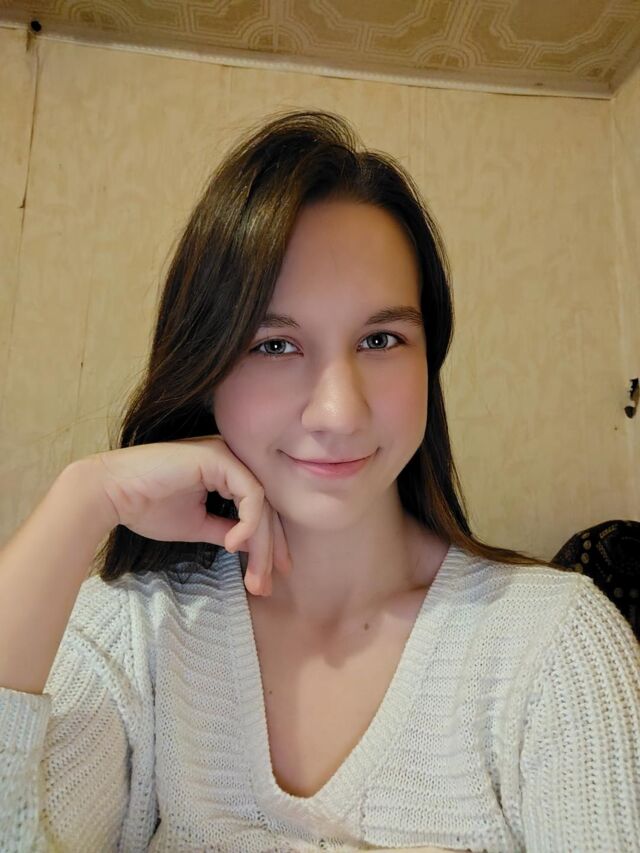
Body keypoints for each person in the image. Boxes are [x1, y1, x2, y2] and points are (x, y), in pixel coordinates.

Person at [0, 109, 638, 853]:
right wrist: (85, 498)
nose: (339, 413)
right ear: (206, 367)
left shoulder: (555, 648)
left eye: (381, 339)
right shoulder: (138, 632)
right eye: (275, 344)